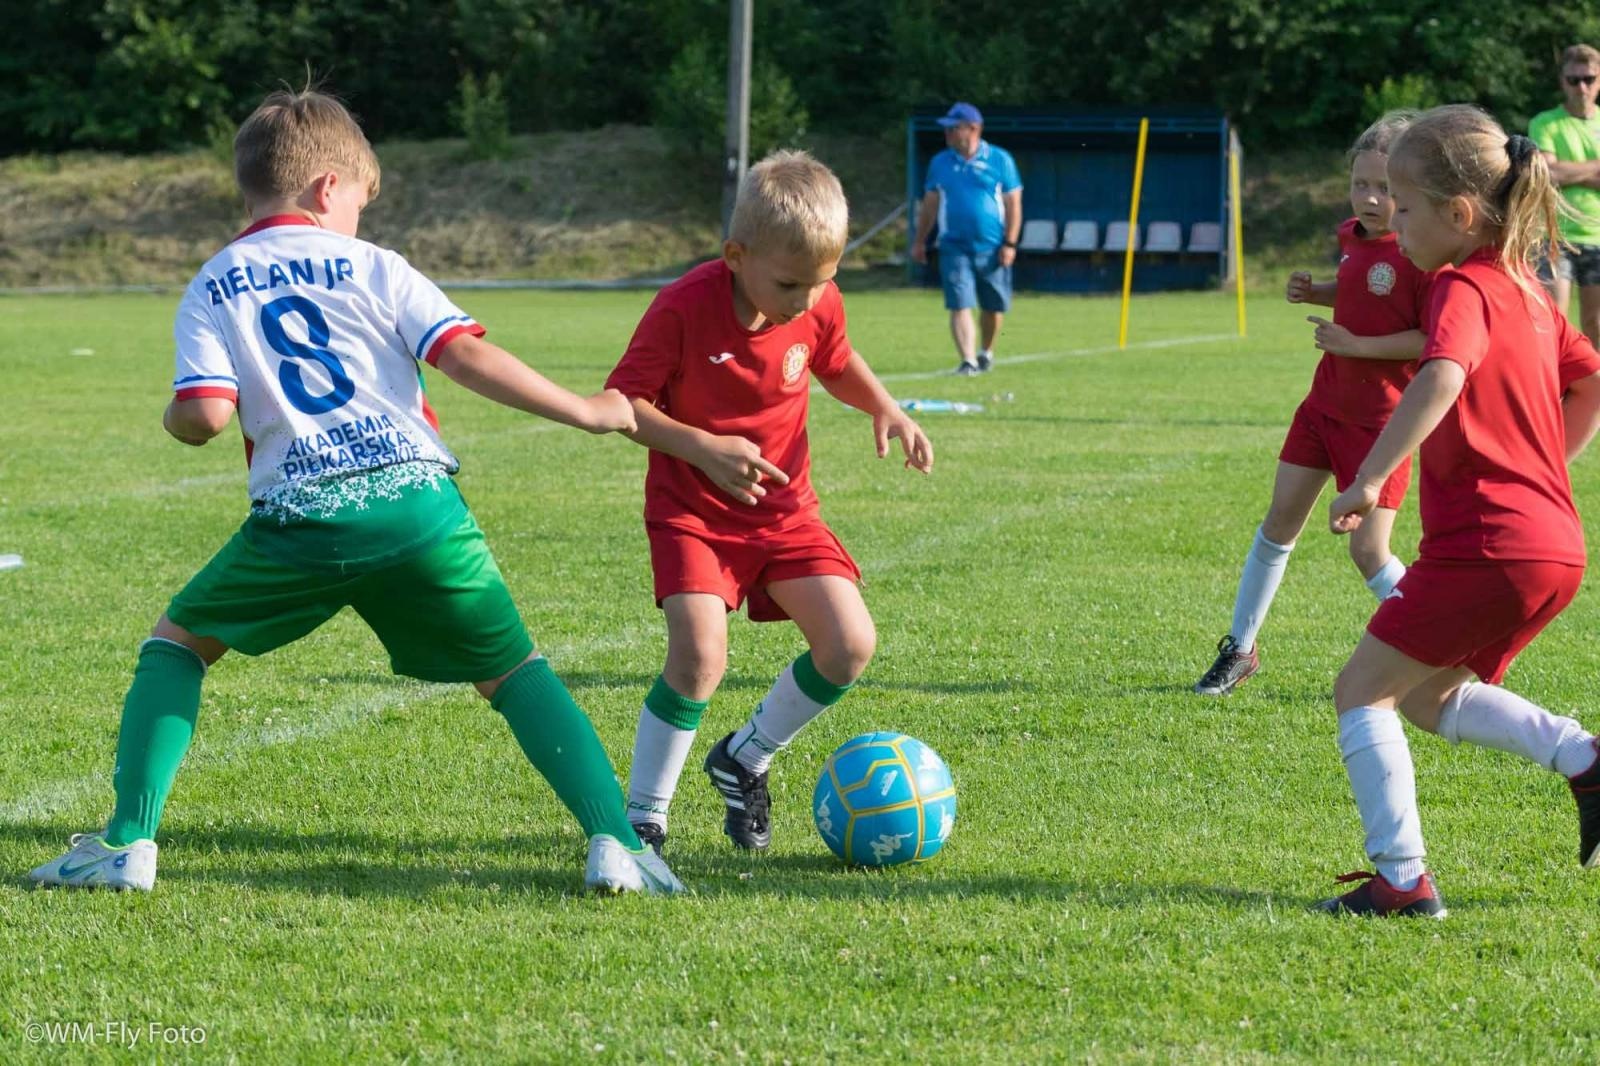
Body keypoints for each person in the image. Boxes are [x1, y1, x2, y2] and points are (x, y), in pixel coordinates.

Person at [27, 90, 684, 896]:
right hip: (418, 510)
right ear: (328, 187)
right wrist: (586, 411)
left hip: (301, 522)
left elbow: (202, 416)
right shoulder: (377, 267)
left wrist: (175, 415)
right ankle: (617, 844)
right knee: (516, 672)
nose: (359, 222)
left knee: (176, 647)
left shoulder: (214, 282)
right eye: (361, 204)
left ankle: (127, 843)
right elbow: (466, 357)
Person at [605, 150, 934, 855]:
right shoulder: (683, 308)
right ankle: (642, 819)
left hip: (784, 512)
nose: (807, 301)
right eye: (790, 284)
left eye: (823, 282)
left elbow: (836, 360)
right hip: (692, 510)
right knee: (698, 656)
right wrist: (701, 447)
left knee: (849, 644)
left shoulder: (815, 298)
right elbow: (623, 405)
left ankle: (745, 756)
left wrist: (887, 409)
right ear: (735, 255)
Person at [1316, 104, 1600, 919]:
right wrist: (1549, 471)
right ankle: (1584, 757)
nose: (1392, 223)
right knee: (1426, 697)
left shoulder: (1462, 286)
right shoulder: (1531, 293)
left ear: (1459, 214)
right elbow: (1591, 380)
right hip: (1552, 548)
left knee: (1360, 692)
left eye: (1404, 208)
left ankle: (1402, 881)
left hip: (1487, 545)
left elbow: (1440, 376)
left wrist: (1372, 477)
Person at [1195, 113, 1431, 696]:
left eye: (1385, 188)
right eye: (1360, 184)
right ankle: (1240, 649)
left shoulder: (1424, 252)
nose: (1371, 199)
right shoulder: (1351, 235)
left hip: (1382, 424)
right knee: (1279, 523)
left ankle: (1437, 646)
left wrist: (1358, 345)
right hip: (1322, 409)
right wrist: (1318, 291)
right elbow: (1362, 285)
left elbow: (1434, 340)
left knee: (1369, 551)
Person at [910, 102, 1023, 375]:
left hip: (993, 247)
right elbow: (930, 204)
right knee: (960, 303)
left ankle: (986, 352)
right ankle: (968, 360)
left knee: (993, 307)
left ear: (973, 129)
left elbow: (1013, 205)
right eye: (946, 129)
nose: (947, 134)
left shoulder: (1000, 160)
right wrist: (920, 240)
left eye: (953, 128)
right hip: (953, 246)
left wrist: (1009, 243)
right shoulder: (940, 162)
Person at [1531, 43, 1600, 344]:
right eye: (1574, 80)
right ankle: (1553, 390)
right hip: (1554, 235)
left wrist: (1567, 172)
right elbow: (1548, 174)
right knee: (1552, 321)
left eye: (1589, 79)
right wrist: (1595, 168)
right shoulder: (1544, 122)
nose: (1581, 87)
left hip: (1597, 236)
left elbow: (1559, 172)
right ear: (1563, 81)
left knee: (1596, 324)